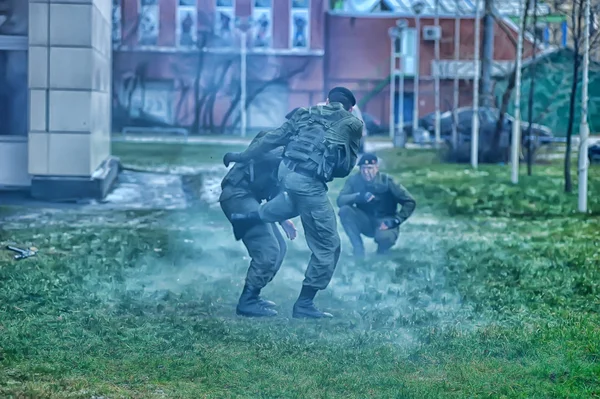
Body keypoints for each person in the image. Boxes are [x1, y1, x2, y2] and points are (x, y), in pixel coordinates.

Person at [222, 87, 364, 319]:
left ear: (327, 100)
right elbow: (345, 168)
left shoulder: (304, 113)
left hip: (285, 172)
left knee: (295, 202)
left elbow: (271, 138)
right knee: (328, 244)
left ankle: (248, 218)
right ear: (350, 108)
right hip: (307, 181)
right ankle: (304, 305)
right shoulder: (352, 123)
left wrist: (240, 156)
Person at [219, 131, 298, 318]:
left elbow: (272, 186)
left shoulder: (296, 149)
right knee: (268, 250)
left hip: (251, 198)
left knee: (279, 247)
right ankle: (247, 303)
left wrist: (282, 219)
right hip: (238, 194)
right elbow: (263, 152)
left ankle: (254, 295)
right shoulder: (274, 138)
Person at [337, 153, 416, 258]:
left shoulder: (388, 181)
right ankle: (358, 249)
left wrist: (396, 220)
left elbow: (409, 202)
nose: (366, 172)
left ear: (376, 168)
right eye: (363, 168)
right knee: (344, 211)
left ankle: (382, 253)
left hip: (386, 221)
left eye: (369, 168)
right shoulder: (354, 180)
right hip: (365, 221)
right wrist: (358, 196)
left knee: (385, 238)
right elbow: (340, 200)